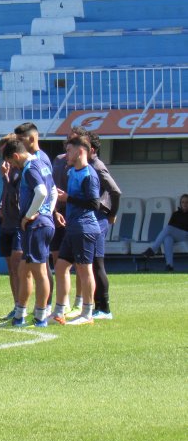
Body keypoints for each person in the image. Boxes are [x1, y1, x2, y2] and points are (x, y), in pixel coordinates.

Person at [1, 138, 58, 327]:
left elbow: (42, 192)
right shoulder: (42, 164)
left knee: (39, 271)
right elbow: (54, 191)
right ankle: (19, 315)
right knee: (23, 269)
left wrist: (30, 215)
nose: (12, 166)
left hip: (37, 226)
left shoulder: (30, 167)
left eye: (12, 162)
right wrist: (48, 213)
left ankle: (41, 317)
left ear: (16, 156)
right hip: (43, 223)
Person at [52, 135, 102, 326]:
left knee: (84, 269)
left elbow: (94, 203)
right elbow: (69, 198)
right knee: (61, 266)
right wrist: (60, 209)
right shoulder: (72, 171)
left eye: (69, 150)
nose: (67, 155)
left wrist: (68, 198)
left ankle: (87, 312)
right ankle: (59, 311)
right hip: (72, 227)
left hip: (84, 228)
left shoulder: (89, 175)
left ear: (81, 151)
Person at [86, 131, 121, 320]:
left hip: (98, 220)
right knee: (90, 264)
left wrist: (112, 214)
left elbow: (115, 191)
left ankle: (105, 308)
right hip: (91, 220)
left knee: (97, 263)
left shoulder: (97, 167)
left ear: (91, 149)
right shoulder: (87, 166)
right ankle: (95, 305)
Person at [0, 133, 24, 315]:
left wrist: (6, 177)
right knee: (11, 269)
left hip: (17, 224)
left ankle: (23, 305)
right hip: (5, 223)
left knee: (18, 266)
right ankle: (16, 305)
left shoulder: (22, 169)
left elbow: (18, 197)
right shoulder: (7, 169)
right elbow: (6, 194)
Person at [142, 194, 188, 271]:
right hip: (176, 235)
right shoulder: (176, 214)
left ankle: (153, 249)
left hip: (186, 235)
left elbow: (169, 228)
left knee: (168, 228)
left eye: (187, 202)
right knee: (167, 238)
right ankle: (169, 265)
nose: (185, 204)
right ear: (180, 203)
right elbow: (169, 228)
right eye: (183, 202)